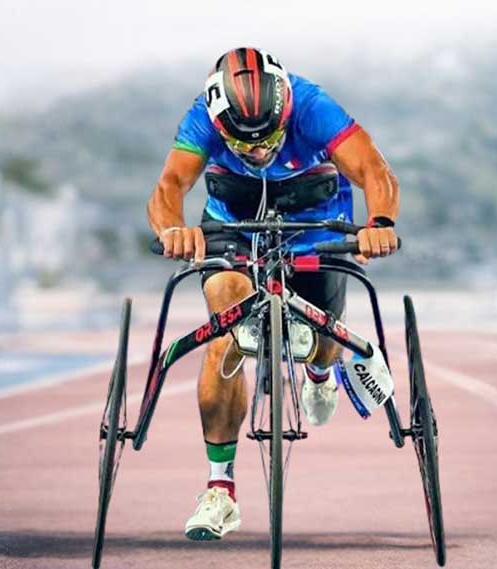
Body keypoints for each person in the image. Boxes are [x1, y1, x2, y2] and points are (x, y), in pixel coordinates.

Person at [146, 47, 399, 541]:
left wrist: (380, 223)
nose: (260, 151)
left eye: (271, 140)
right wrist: (174, 228)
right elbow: (170, 185)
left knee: (323, 336)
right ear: (221, 124)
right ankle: (220, 490)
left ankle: (321, 372)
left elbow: (374, 170)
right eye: (245, 145)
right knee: (227, 326)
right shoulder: (203, 116)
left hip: (315, 225)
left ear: (285, 110)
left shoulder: (311, 104)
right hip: (234, 227)